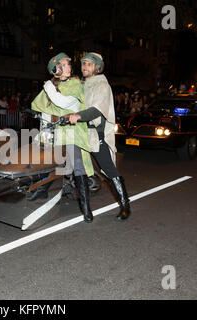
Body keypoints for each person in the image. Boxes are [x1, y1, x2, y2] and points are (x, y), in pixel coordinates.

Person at [30, 52, 95, 223]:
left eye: (68, 64)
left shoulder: (75, 84)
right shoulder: (51, 86)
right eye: (64, 65)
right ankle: (43, 189)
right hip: (56, 133)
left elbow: (65, 103)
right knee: (53, 164)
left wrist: (49, 88)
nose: (69, 67)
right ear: (56, 69)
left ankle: (86, 208)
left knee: (78, 168)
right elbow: (38, 105)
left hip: (73, 132)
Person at [67, 52, 131, 221]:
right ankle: (86, 210)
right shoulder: (81, 85)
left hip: (95, 134)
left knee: (108, 169)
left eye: (88, 64)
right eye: (83, 64)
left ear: (97, 67)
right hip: (79, 134)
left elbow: (97, 110)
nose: (84, 67)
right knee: (78, 171)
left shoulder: (102, 85)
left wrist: (78, 116)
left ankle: (125, 205)